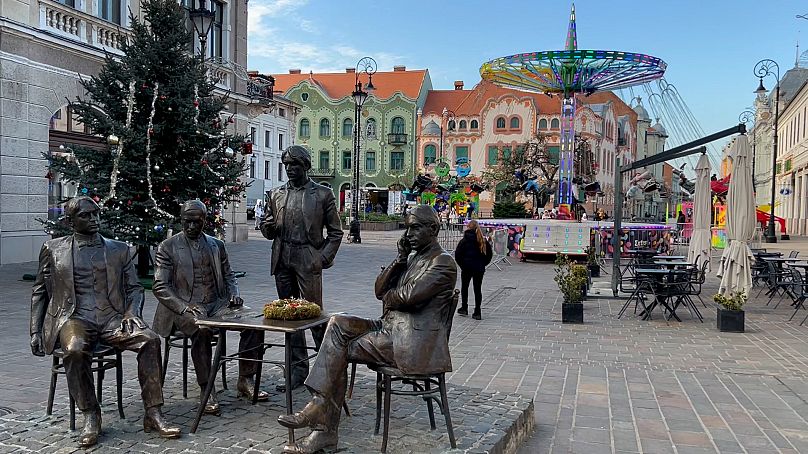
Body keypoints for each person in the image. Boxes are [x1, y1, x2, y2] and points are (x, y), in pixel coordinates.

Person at [276, 205, 457, 453]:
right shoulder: (412, 257)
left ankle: (323, 429)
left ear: (433, 229)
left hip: (411, 342)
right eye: (407, 228)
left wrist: (391, 296)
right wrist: (399, 260)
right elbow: (379, 290)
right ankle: (319, 409)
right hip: (391, 327)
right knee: (338, 323)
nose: (408, 234)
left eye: (415, 228)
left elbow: (407, 297)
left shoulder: (443, 262)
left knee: (337, 350)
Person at [30, 197, 180, 448]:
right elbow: (39, 291)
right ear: (70, 221)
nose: (94, 219)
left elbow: (134, 289)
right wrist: (35, 330)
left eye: (96, 214)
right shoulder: (52, 249)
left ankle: (153, 412)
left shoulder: (118, 249)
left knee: (150, 340)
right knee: (75, 348)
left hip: (113, 318)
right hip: (74, 317)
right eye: (86, 216)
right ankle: (91, 413)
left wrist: (131, 313)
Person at [152, 200, 268, 415]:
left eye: (197, 222)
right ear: (181, 221)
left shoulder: (216, 245)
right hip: (183, 307)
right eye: (187, 222)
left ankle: (245, 379)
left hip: (217, 303)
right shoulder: (167, 247)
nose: (191, 227)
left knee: (254, 324)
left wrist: (234, 294)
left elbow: (229, 275)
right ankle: (207, 387)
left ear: (205, 220)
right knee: (202, 330)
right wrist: (184, 307)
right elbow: (160, 286)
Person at [261, 145, 343, 390]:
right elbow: (267, 228)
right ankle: (297, 371)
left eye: (295, 165)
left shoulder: (322, 194)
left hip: (307, 256)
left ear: (306, 166)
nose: (290, 169)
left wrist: (322, 258)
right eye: (286, 165)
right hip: (283, 256)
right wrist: (268, 227)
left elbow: (336, 232)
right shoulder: (275, 194)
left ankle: (325, 371)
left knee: (314, 315)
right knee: (289, 319)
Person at [454, 220, 493, 320]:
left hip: (466, 267)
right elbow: (489, 255)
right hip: (479, 268)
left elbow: (458, 255)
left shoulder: (464, 241)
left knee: (464, 287)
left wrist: (462, 265)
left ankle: (464, 307)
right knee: (477, 289)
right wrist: (483, 264)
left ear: (468, 227)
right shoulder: (482, 240)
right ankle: (477, 311)